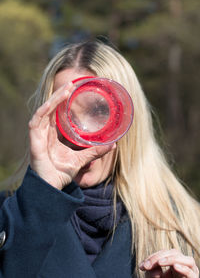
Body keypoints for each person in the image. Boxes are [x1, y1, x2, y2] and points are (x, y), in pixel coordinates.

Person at [0, 40, 199, 278]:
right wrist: (42, 194)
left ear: (126, 120)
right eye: (65, 115)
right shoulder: (11, 215)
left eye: (99, 111)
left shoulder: (187, 228)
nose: (80, 136)